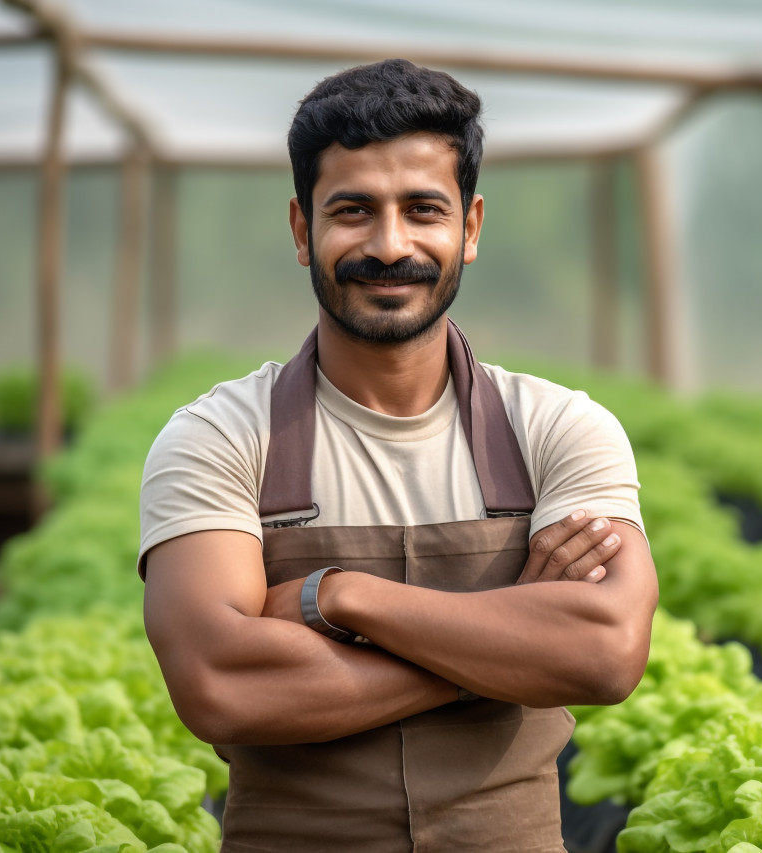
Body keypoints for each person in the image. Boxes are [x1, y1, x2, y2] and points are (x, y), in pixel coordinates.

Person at [138, 58, 658, 852]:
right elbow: (221, 686)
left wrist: (341, 598)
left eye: (423, 209)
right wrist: (504, 652)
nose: (390, 245)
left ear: (470, 228)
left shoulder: (559, 427)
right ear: (302, 228)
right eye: (353, 210)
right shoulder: (220, 437)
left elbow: (606, 651)